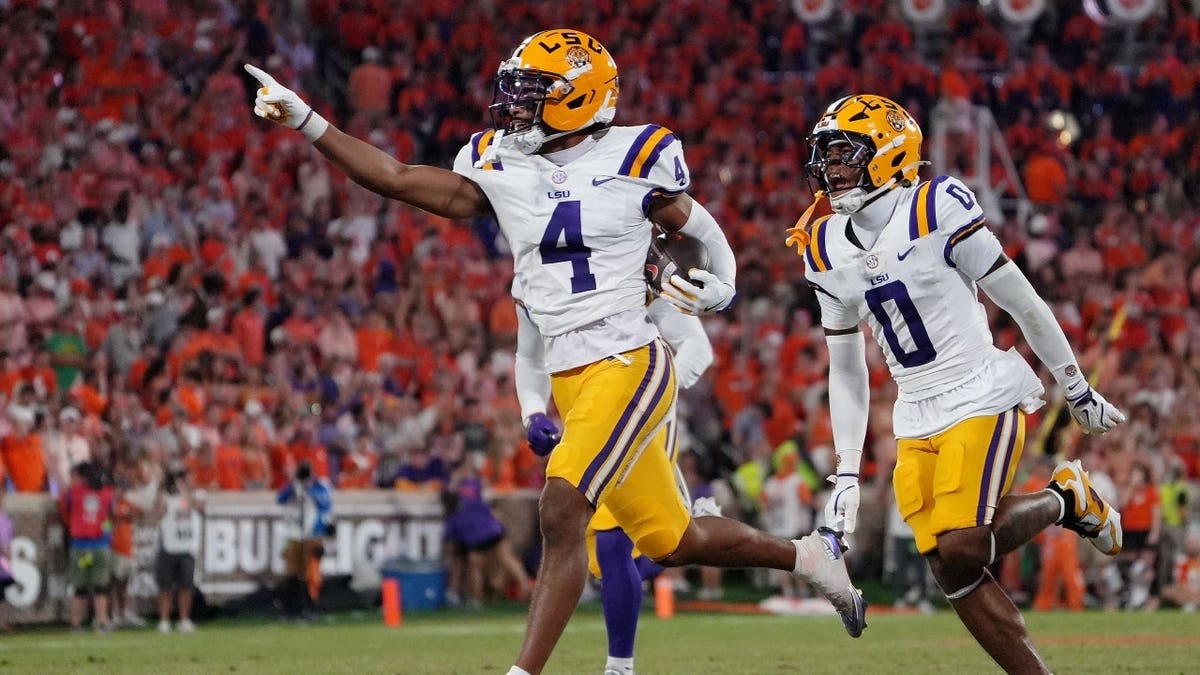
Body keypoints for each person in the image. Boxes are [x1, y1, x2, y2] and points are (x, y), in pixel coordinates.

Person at [246, 28, 864, 675]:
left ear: (581, 97)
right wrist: (307, 120)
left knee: (562, 505)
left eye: (533, 92)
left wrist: (725, 278)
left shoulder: (637, 153)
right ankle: (809, 556)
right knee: (673, 539)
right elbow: (397, 177)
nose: (514, 105)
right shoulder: (502, 162)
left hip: (629, 360)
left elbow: (695, 220)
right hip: (573, 375)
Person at [789, 94, 1127, 674]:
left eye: (846, 154)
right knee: (950, 566)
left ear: (890, 154)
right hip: (914, 409)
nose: (832, 169)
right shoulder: (820, 245)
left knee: (964, 543)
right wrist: (846, 471)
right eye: (826, 156)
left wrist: (1074, 385)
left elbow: (1021, 300)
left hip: (979, 387)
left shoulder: (934, 206)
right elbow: (844, 365)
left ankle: (1067, 499)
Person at [517, 290, 715, 675]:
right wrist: (534, 411)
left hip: (643, 409)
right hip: (590, 415)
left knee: (615, 542)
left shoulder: (630, 264)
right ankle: (691, 525)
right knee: (608, 554)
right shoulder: (542, 275)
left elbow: (697, 346)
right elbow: (530, 355)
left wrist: (661, 392)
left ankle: (619, 666)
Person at [60, 461, 114, 632]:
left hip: (80, 548)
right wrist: (106, 534)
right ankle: (102, 621)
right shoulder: (106, 493)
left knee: (80, 587)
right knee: (100, 586)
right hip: (100, 546)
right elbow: (110, 517)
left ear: (81, 477)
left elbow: (64, 510)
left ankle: (75, 623)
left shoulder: (72, 494)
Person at [275, 460, 333, 619]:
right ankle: (290, 609)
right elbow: (280, 499)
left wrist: (307, 490)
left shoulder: (319, 486)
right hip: (294, 534)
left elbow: (325, 503)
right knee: (291, 572)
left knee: (311, 573)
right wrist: (294, 484)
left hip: (312, 534)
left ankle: (310, 608)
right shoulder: (294, 486)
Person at [155, 467, 201, 633]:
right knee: (165, 587)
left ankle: (184, 619)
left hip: (187, 546)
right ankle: (164, 620)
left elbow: (199, 506)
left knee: (186, 587)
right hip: (169, 545)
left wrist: (186, 493)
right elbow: (158, 513)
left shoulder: (194, 496)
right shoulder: (166, 497)